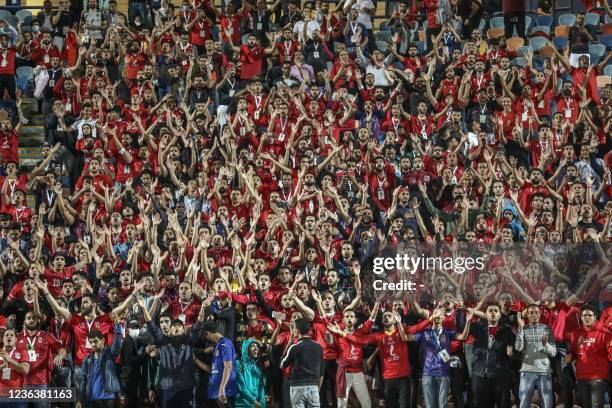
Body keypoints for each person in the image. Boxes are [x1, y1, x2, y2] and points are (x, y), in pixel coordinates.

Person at [566, 305, 611, 408]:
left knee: (596, 406)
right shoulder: (576, 334)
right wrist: (570, 356)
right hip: (581, 377)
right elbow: (573, 351)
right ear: (581, 318)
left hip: (598, 378)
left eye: (590, 315)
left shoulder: (604, 333)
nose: (587, 318)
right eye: (584, 315)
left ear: (595, 317)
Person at [514, 304, 557, 408]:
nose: (534, 315)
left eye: (536, 312)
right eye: (531, 313)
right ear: (527, 315)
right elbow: (518, 348)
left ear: (540, 314)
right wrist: (520, 329)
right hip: (527, 370)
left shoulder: (547, 329)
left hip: (544, 370)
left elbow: (554, 352)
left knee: (547, 404)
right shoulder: (522, 329)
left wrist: (545, 344)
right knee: (524, 403)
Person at [280, 318, 324, 408]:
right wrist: (317, 388)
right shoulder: (318, 347)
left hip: (297, 387)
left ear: (297, 330)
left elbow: (282, 365)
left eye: (293, 328)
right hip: (313, 386)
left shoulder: (294, 347)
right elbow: (322, 370)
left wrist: (289, 343)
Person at [78, 324, 123, 408]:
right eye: (91, 342)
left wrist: (118, 328)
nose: (93, 345)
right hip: (91, 399)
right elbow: (83, 380)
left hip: (108, 398)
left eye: (95, 341)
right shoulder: (87, 359)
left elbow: (117, 346)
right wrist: (80, 399)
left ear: (103, 340)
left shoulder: (110, 353)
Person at [202, 320, 238, 407]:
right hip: (216, 391)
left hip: (225, 392)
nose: (207, 340)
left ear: (207, 333)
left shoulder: (225, 343)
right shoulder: (217, 346)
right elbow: (214, 369)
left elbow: (228, 366)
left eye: (205, 336)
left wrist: (222, 388)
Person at [235, 338, 265, 408]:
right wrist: (254, 401)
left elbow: (261, 391)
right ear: (246, 349)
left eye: (257, 346)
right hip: (242, 405)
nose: (256, 349)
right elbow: (241, 388)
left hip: (255, 404)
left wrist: (263, 405)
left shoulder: (257, 368)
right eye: (252, 346)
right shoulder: (238, 364)